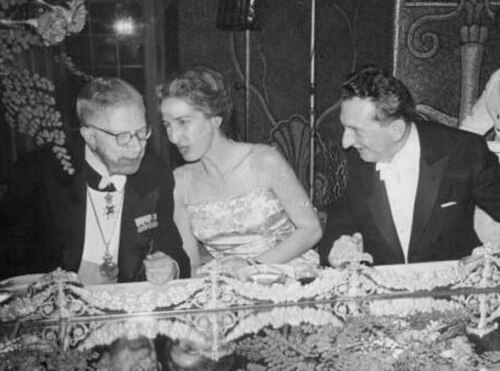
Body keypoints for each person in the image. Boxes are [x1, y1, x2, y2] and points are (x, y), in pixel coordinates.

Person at [0, 77, 190, 284]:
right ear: (89, 136)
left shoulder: (156, 175)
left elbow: (171, 247)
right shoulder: (38, 173)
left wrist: (171, 266)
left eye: (142, 132)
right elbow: (9, 256)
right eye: (122, 137)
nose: (137, 148)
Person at [318, 66, 500, 266]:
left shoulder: (463, 151)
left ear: (396, 130)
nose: (345, 142)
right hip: (379, 292)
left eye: (356, 131)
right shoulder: (351, 160)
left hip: (452, 289)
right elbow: (332, 239)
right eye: (345, 127)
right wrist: (339, 251)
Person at [158, 66, 322, 275]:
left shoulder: (264, 160)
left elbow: (311, 229)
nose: (173, 137)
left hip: (287, 278)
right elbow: (191, 263)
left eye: (183, 122)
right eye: (167, 125)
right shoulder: (180, 182)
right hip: (228, 287)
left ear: (215, 120)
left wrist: (253, 267)